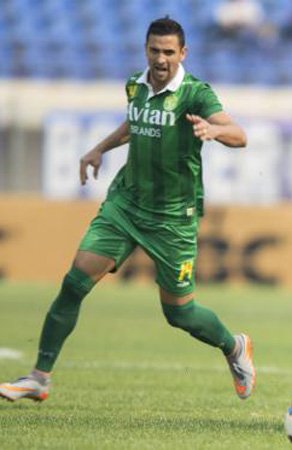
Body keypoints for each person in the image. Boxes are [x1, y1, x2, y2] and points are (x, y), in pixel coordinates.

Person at [0, 17, 255, 403]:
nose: (161, 58)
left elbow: (240, 135)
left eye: (169, 51)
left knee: (179, 314)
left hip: (172, 218)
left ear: (182, 53)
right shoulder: (135, 84)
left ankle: (233, 346)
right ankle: (39, 377)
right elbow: (132, 124)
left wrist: (215, 131)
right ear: (146, 49)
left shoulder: (195, 94)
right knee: (74, 283)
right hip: (126, 204)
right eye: (155, 50)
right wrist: (99, 148)